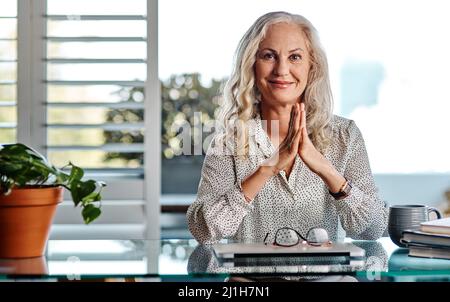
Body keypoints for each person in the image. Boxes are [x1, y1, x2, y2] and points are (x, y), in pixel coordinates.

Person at [186, 11, 388, 244]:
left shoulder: (345, 135)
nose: (281, 70)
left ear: (312, 66)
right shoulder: (228, 142)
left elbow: (372, 230)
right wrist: (265, 170)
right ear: (252, 65)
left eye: (294, 57)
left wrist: (326, 169)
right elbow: (203, 231)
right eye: (269, 56)